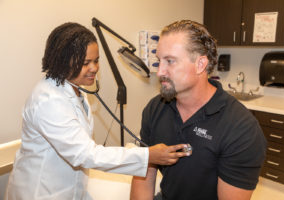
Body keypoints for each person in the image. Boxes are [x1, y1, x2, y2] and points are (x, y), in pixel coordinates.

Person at [5, 22, 190, 200]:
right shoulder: (48, 100)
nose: (94, 68)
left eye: (96, 60)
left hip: (70, 190)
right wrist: (148, 155)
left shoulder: (75, 88)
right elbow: (85, 154)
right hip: (40, 193)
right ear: (63, 61)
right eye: (86, 63)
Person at [130, 20, 266, 200]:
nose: (160, 71)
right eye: (159, 61)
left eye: (170, 61)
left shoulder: (241, 128)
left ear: (200, 64)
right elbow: (144, 176)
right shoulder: (155, 108)